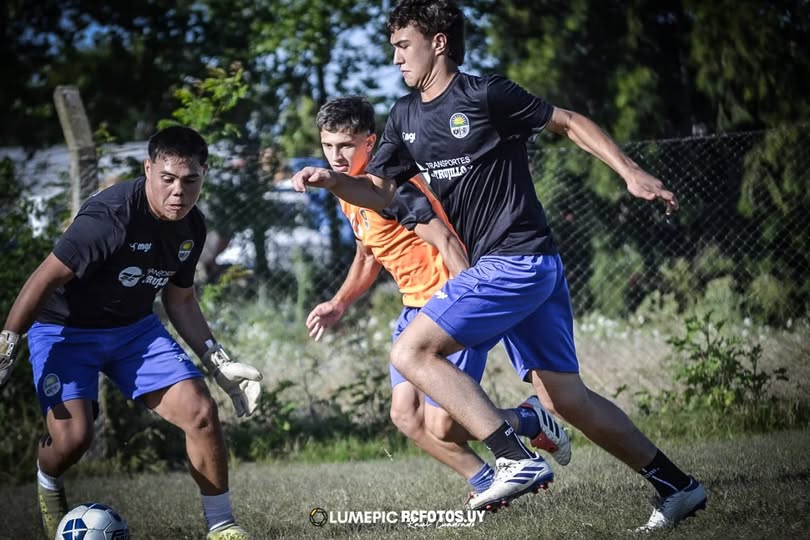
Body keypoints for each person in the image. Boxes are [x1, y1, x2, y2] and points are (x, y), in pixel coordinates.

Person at [292, 0, 707, 531]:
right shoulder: (404, 116)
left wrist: (629, 171)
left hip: (519, 259)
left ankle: (513, 457)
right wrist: (332, 182)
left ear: (438, 42)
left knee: (411, 350)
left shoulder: (486, 93)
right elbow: (378, 188)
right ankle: (678, 486)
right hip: (521, 268)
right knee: (567, 401)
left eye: (403, 45)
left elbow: (569, 122)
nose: (394, 57)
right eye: (393, 46)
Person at [304, 96, 571, 503]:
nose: (336, 155)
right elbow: (367, 254)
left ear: (370, 143)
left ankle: (529, 421)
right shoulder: (348, 192)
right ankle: (487, 485)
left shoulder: (393, 192)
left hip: (445, 304)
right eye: (328, 146)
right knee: (406, 417)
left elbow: (446, 239)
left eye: (345, 145)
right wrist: (339, 303)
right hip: (413, 307)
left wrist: (467, 297)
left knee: (443, 423)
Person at [0, 126, 261, 540]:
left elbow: (181, 301)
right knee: (73, 439)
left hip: (134, 331)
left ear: (204, 175)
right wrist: (8, 342)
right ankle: (49, 484)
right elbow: (43, 279)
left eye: (190, 180)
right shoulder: (109, 217)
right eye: (168, 179)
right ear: (148, 170)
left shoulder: (193, 227)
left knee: (202, 413)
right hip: (65, 330)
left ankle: (222, 526)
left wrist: (218, 361)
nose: (179, 191)